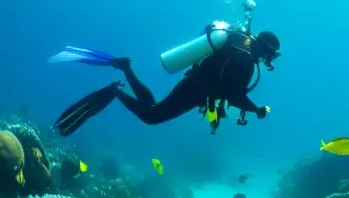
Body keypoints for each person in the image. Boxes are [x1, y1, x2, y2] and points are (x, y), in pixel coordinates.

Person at [52, 26, 280, 137]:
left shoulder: (238, 39)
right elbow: (234, 95)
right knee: (152, 117)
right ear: (265, 48)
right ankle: (115, 91)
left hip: (193, 84)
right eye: (272, 54)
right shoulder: (246, 62)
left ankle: (125, 70)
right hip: (195, 91)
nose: (270, 59)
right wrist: (256, 109)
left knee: (153, 109)